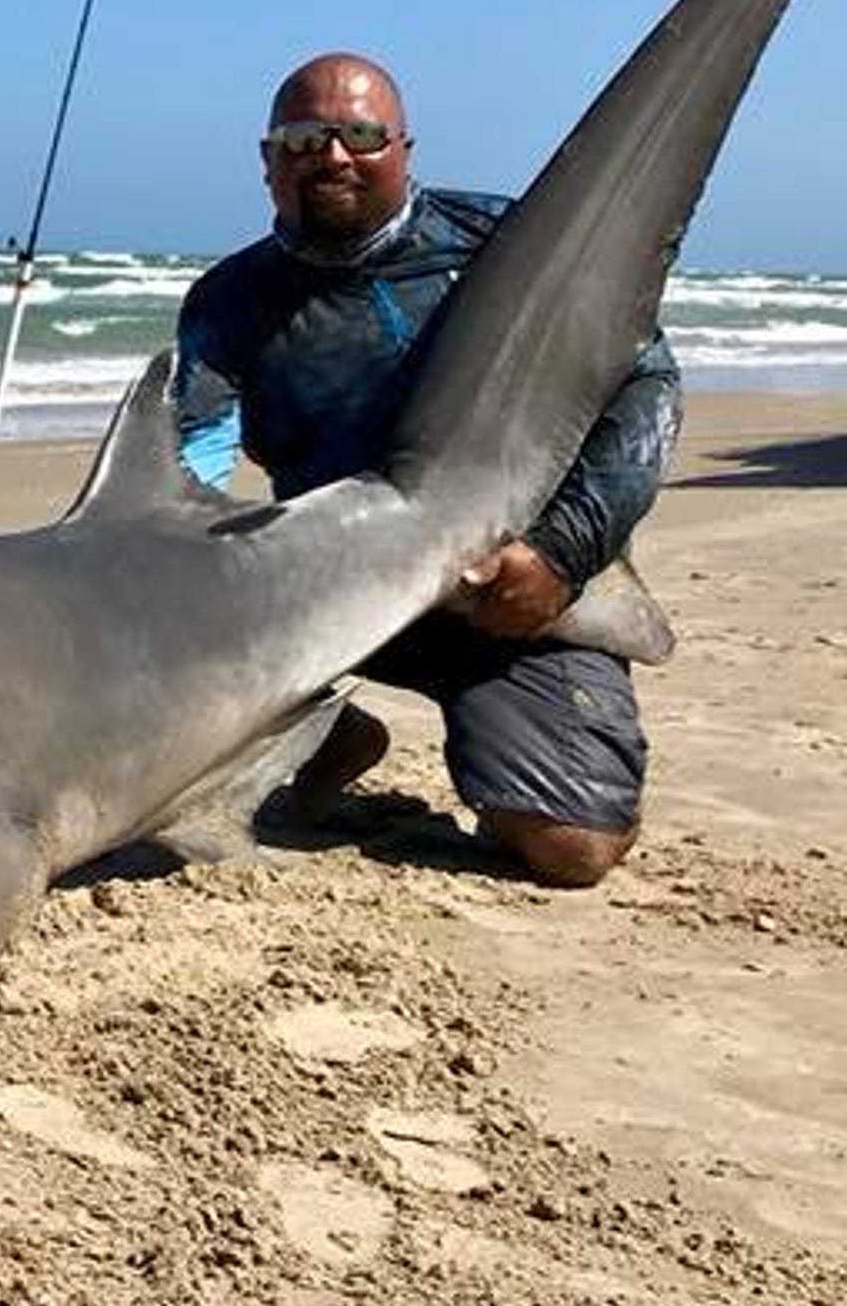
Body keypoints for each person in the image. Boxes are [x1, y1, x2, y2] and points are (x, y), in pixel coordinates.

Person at [170, 53, 681, 888]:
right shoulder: (229, 302)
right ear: (268, 163)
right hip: (333, 592)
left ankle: (511, 749)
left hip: (511, 593)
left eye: (361, 135)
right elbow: (190, 470)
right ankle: (333, 738)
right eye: (303, 139)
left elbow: (647, 383)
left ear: (405, 148)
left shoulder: (502, 250)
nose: (332, 155)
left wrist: (564, 553)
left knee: (571, 851)